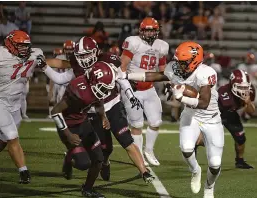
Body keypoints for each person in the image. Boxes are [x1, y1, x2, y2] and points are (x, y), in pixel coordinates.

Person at [39, 36, 154, 183]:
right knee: (104, 148)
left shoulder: (108, 60)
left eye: (87, 54)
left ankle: (144, 172)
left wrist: (131, 96)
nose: (85, 58)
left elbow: (121, 78)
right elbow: (61, 79)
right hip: (94, 111)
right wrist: (44, 67)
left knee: (126, 140)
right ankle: (97, 161)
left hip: (113, 106)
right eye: (81, 55)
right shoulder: (77, 67)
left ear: (96, 51)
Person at [125, 41, 224, 198]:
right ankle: (195, 170)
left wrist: (181, 97)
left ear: (195, 61)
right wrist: (126, 75)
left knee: (215, 163)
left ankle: (209, 188)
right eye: (178, 61)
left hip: (210, 117)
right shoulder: (176, 69)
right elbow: (154, 75)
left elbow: (204, 103)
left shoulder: (206, 73)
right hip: (190, 115)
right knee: (186, 148)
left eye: (183, 62)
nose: (178, 66)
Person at [49, 62, 113, 197]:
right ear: (94, 81)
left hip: (84, 123)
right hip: (69, 126)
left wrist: (103, 118)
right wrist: (68, 134)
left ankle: (87, 189)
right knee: (83, 164)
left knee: (99, 159)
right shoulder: (78, 90)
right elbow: (55, 111)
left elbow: (99, 103)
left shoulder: (95, 87)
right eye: (103, 87)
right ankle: (68, 158)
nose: (105, 91)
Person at [118, 17, 169, 166]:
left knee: (156, 121)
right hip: (133, 89)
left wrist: (167, 83)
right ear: (141, 31)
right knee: (137, 125)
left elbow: (162, 68)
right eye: (147, 30)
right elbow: (122, 66)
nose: (149, 33)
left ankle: (149, 150)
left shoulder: (161, 46)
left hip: (149, 87)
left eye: (152, 30)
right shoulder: (133, 42)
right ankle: (139, 155)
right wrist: (125, 84)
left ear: (157, 31)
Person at [0, 30, 44, 184]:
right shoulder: (1, 55)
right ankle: (24, 171)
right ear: (10, 44)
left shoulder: (34, 54)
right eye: (20, 46)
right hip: (0, 100)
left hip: (15, 103)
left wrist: (74, 66)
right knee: (12, 136)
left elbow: (52, 63)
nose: (24, 49)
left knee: (4, 140)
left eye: (26, 46)